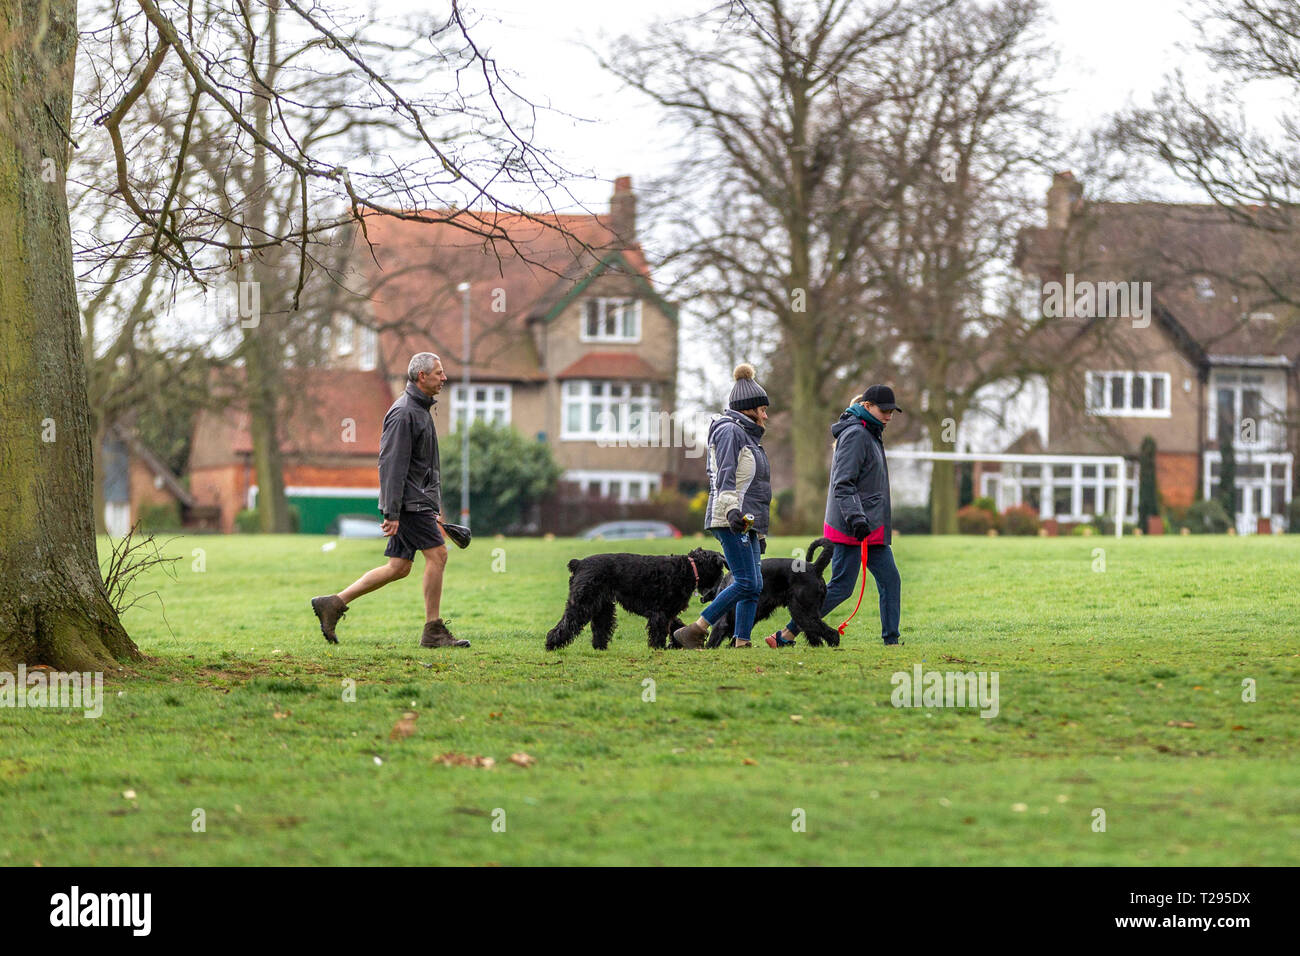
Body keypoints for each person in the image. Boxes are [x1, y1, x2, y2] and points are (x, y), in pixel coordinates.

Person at [311, 352, 470, 649]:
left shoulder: (419, 410)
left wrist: (435, 508)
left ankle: (333, 603)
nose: (444, 378)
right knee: (438, 555)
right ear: (421, 376)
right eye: (438, 372)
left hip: (417, 502)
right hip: (410, 504)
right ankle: (433, 631)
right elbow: (391, 464)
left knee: (398, 567)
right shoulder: (405, 412)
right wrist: (392, 511)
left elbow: (422, 467)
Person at [765, 384, 902, 648]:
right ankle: (786, 634)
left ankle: (891, 641)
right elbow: (843, 483)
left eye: (892, 411)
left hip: (869, 526)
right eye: (884, 410)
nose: (889, 415)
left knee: (890, 580)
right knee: (840, 587)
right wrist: (856, 519)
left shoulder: (870, 432)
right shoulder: (856, 435)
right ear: (867, 407)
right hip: (853, 526)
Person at [673, 364, 772, 649]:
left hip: (746, 520)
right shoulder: (730, 432)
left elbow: (754, 489)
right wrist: (730, 511)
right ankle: (696, 629)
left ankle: (741, 641)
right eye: (762, 409)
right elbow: (724, 475)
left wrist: (759, 533)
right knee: (746, 582)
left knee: (755, 585)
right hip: (729, 518)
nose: (766, 415)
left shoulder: (748, 436)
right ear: (749, 409)